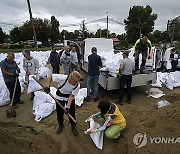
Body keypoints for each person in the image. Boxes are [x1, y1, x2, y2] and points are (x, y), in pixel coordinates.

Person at [44, 71, 81, 136]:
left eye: (77, 81)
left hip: (69, 97)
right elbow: (50, 76)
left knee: (71, 112)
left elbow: (71, 96)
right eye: (75, 82)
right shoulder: (63, 78)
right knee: (59, 112)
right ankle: (60, 125)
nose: (76, 83)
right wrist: (47, 86)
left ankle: (73, 126)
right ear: (71, 79)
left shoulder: (77, 85)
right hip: (60, 96)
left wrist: (68, 107)